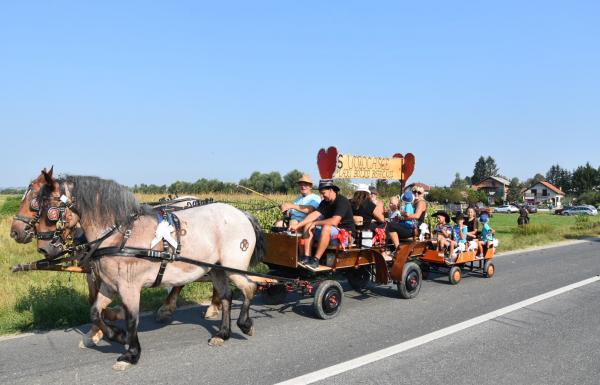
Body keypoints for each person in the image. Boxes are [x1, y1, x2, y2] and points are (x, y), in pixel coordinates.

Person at [290, 179, 356, 269]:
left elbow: (334, 221)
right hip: (332, 233)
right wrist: (297, 225)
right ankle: (307, 257)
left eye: (323, 193)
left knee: (326, 227)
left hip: (345, 234)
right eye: (321, 193)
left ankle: (316, 260)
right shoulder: (325, 202)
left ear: (331, 190)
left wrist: (316, 223)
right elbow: (314, 214)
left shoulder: (342, 201)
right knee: (308, 225)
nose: (322, 195)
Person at [387, 185, 428, 251]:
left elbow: (416, 216)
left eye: (419, 192)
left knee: (390, 226)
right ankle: (390, 248)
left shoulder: (421, 203)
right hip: (410, 225)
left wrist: (406, 215)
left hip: (414, 228)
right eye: (414, 191)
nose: (416, 193)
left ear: (423, 194)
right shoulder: (413, 202)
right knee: (388, 224)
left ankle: (398, 249)